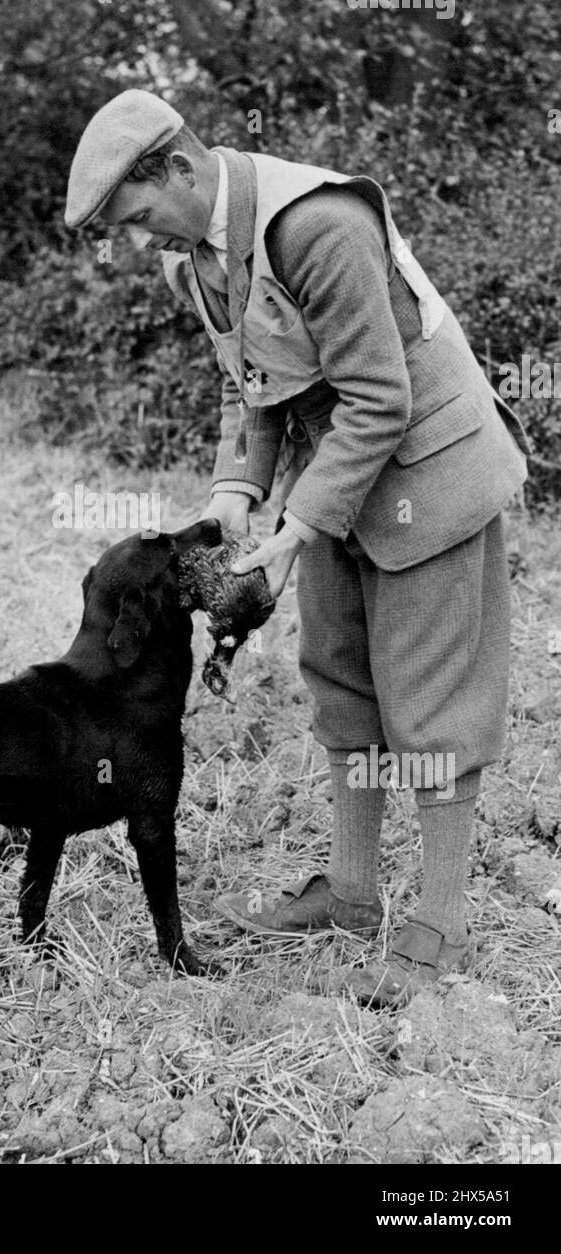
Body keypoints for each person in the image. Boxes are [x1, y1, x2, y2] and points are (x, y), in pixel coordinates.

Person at [64, 88, 530, 1005]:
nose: (139, 241)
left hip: (426, 473)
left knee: (428, 705)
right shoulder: (191, 258)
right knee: (342, 683)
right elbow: (254, 389)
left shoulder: (317, 225)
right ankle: (352, 895)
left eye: (140, 214)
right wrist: (238, 490)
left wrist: (297, 526)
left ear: (180, 169)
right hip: (342, 482)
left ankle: (441, 924)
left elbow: (379, 398)